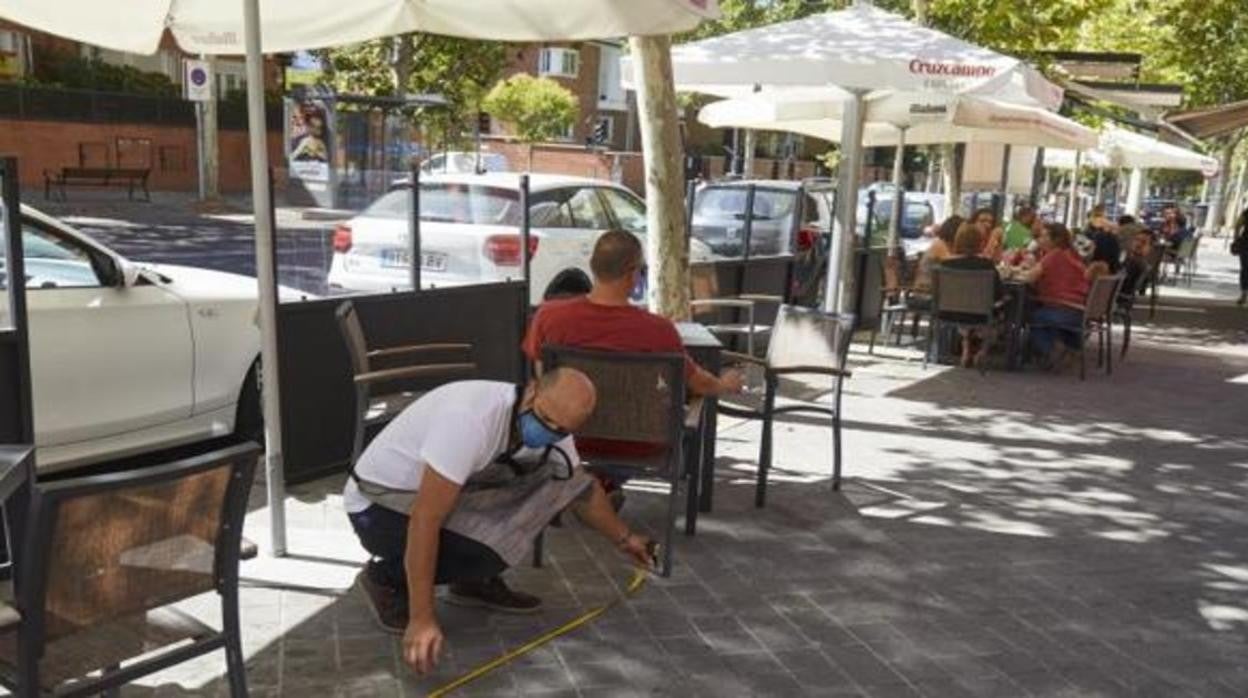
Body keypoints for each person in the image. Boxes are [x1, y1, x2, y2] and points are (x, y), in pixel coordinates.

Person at [343, 370, 655, 674]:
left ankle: (470, 581)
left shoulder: (557, 431)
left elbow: (581, 490)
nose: (549, 431)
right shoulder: (470, 420)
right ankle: (384, 578)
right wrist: (421, 617)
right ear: (532, 389)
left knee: (551, 488)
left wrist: (625, 539)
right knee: (486, 550)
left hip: (438, 495)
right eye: (545, 419)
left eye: (561, 429)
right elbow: (426, 519)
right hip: (376, 507)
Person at [523, 230, 743, 480]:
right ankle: (606, 485)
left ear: (593, 267)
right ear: (633, 274)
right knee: (688, 421)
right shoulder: (659, 331)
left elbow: (541, 376)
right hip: (642, 446)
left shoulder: (549, 318)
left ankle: (598, 486)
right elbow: (699, 384)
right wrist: (724, 384)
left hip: (567, 437)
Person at [1017, 223, 1089, 368]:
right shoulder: (1071, 254)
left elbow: (1030, 278)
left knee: (1031, 316)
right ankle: (1071, 345)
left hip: (1064, 309)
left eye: (1044, 236)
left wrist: (1016, 273)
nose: (1039, 239)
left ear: (1055, 240)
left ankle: (1049, 350)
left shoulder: (1053, 255)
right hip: (1079, 309)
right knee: (1039, 311)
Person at [940, 223, 1004, 370]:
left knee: (967, 313)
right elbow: (998, 293)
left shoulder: (947, 263)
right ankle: (983, 350)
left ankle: (966, 346)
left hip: (950, 312)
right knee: (1003, 310)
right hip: (981, 315)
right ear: (980, 243)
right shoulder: (986, 265)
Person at [914, 215, 962, 291]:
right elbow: (952, 263)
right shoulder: (939, 245)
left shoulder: (949, 246)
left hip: (938, 289)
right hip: (925, 291)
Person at [1084, 204, 1122, 273]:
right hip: (1111, 270)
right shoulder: (1111, 236)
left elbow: (1089, 254)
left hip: (1097, 269)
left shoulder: (1099, 235)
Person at [1234, 207, 1248, 306]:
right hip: (1245, 244)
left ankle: (1243, 294)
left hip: (1245, 244)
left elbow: (1237, 225)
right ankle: (1243, 294)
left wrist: (1236, 239)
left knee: (1245, 269)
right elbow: (1238, 225)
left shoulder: (1246, 212)